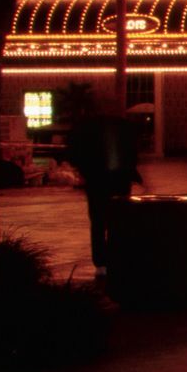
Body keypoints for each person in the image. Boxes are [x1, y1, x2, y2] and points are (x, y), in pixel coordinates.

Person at [65, 100, 143, 277]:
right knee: (101, 220)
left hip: (114, 179)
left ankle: (110, 258)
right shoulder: (100, 128)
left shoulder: (118, 127)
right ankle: (103, 260)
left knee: (111, 220)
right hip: (101, 179)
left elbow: (132, 152)